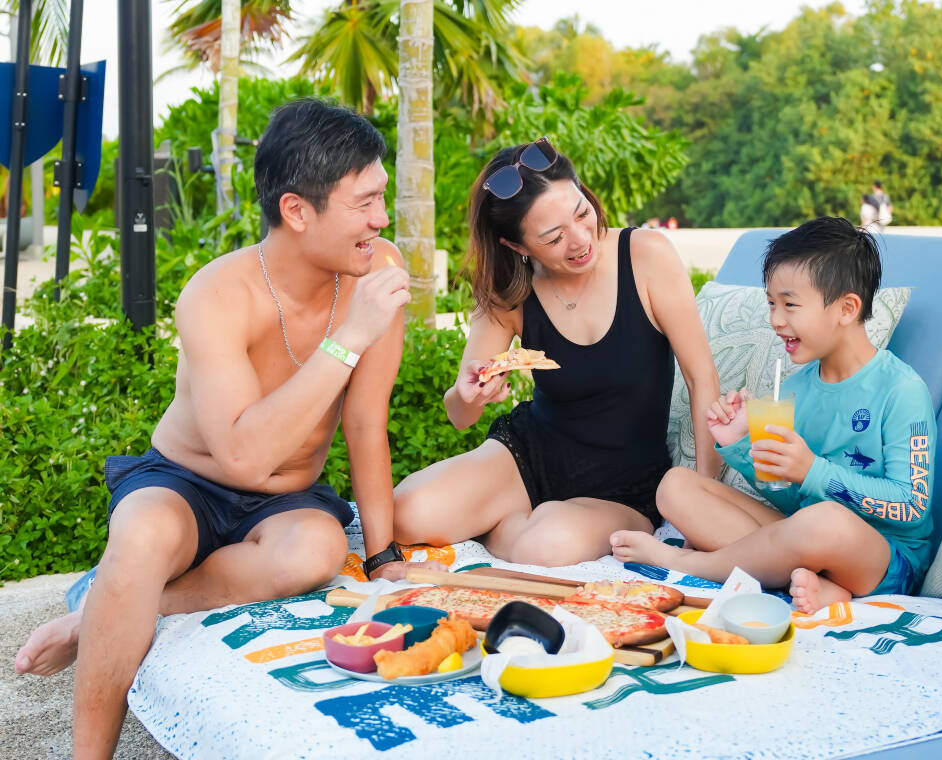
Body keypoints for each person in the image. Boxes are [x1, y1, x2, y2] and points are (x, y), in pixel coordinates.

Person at [13, 99, 437, 759]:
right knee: (142, 537)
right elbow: (241, 457)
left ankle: (103, 611)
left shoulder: (375, 270)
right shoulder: (216, 295)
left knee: (317, 552)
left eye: (380, 199)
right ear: (297, 210)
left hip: (287, 498)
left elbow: (363, 422)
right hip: (185, 482)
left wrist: (383, 560)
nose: (381, 220)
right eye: (364, 203)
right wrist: (350, 337)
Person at [392, 137, 720, 566]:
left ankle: (510, 527)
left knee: (543, 547)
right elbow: (459, 415)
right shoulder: (510, 293)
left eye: (582, 213)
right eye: (554, 237)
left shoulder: (646, 256)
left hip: (623, 487)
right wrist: (468, 394)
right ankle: (519, 520)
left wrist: (704, 503)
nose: (581, 240)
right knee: (405, 514)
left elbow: (701, 378)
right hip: (529, 455)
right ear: (518, 246)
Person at [610, 217, 937, 614]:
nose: (776, 320)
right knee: (676, 486)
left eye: (790, 305)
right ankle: (818, 583)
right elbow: (789, 497)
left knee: (824, 521)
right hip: (804, 535)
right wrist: (739, 443)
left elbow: (911, 505)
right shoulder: (796, 388)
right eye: (771, 304)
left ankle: (684, 562)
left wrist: (813, 470)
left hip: (885, 559)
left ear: (847, 308)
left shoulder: (901, 390)